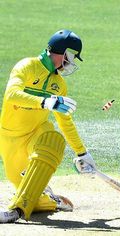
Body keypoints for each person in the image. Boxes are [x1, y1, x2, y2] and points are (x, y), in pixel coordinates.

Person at [0, 29, 96, 223]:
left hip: (36, 133)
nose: (71, 62)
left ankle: (15, 211)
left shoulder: (59, 84)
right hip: (9, 138)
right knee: (31, 198)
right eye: (70, 56)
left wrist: (82, 153)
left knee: (52, 139)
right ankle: (50, 199)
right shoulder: (26, 66)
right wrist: (44, 101)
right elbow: (11, 95)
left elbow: (65, 121)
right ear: (60, 51)